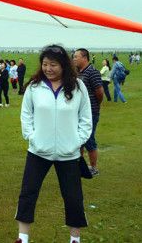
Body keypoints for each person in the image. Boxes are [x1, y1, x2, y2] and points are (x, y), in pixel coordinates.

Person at [14, 45, 92, 243]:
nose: (48, 68)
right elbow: (26, 115)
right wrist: (32, 136)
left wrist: (77, 141)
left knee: (73, 197)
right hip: (38, 151)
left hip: (69, 153)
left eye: (53, 65)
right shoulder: (34, 86)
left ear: (64, 65)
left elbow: (85, 118)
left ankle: (75, 238)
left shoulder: (78, 87)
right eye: (45, 64)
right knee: (28, 193)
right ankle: (23, 237)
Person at [73, 49, 104, 176]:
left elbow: (99, 92)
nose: (74, 59)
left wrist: (94, 106)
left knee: (89, 139)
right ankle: (77, 165)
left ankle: (93, 167)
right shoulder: (77, 72)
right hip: (78, 112)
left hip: (91, 112)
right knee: (79, 138)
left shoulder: (93, 72)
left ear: (84, 58)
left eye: (76, 57)